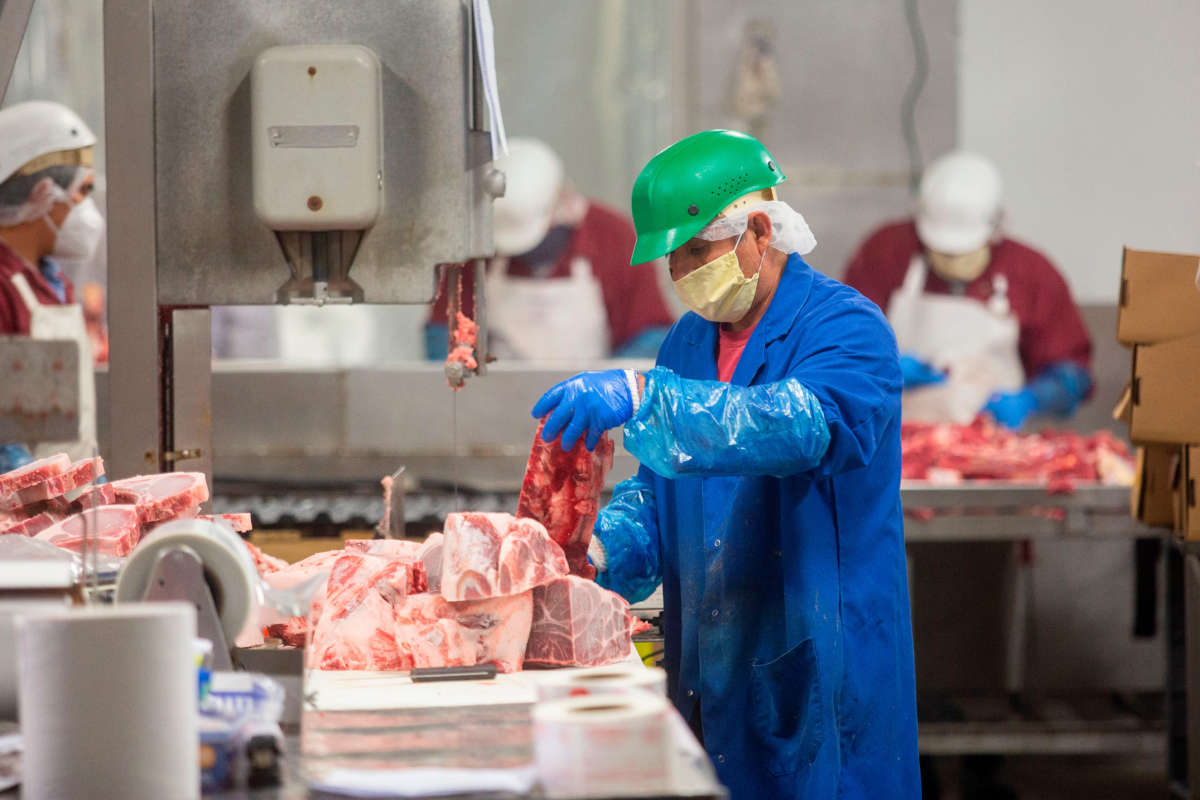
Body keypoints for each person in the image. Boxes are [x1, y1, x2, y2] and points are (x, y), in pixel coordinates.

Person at [530, 130, 919, 799]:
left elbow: (794, 427)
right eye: (671, 260)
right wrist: (595, 549)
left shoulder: (847, 329)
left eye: (695, 252)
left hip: (820, 665)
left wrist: (643, 397)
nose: (681, 274)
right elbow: (661, 492)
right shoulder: (687, 341)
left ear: (758, 231)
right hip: (713, 665)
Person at [844, 151, 1092, 428]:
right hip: (894, 444)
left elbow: (1073, 372)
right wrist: (881, 367)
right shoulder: (887, 253)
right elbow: (842, 344)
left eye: (965, 250)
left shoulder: (1031, 272)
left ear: (996, 227)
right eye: (941, 250)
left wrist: (1036, 397)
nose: (953, 260)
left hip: (994, 449)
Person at [426, 137, 675, 361]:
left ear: (564, 204)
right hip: (496, 403)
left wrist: (612, 387)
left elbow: (651, 335)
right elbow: (444, 336)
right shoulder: (474, 249)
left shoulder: (613, 237)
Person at [0, 101, 103, 470]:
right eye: (82, 190)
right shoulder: (4, 287)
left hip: (61, 504)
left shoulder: (49, 281)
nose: (87, 210)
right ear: (42, 194)